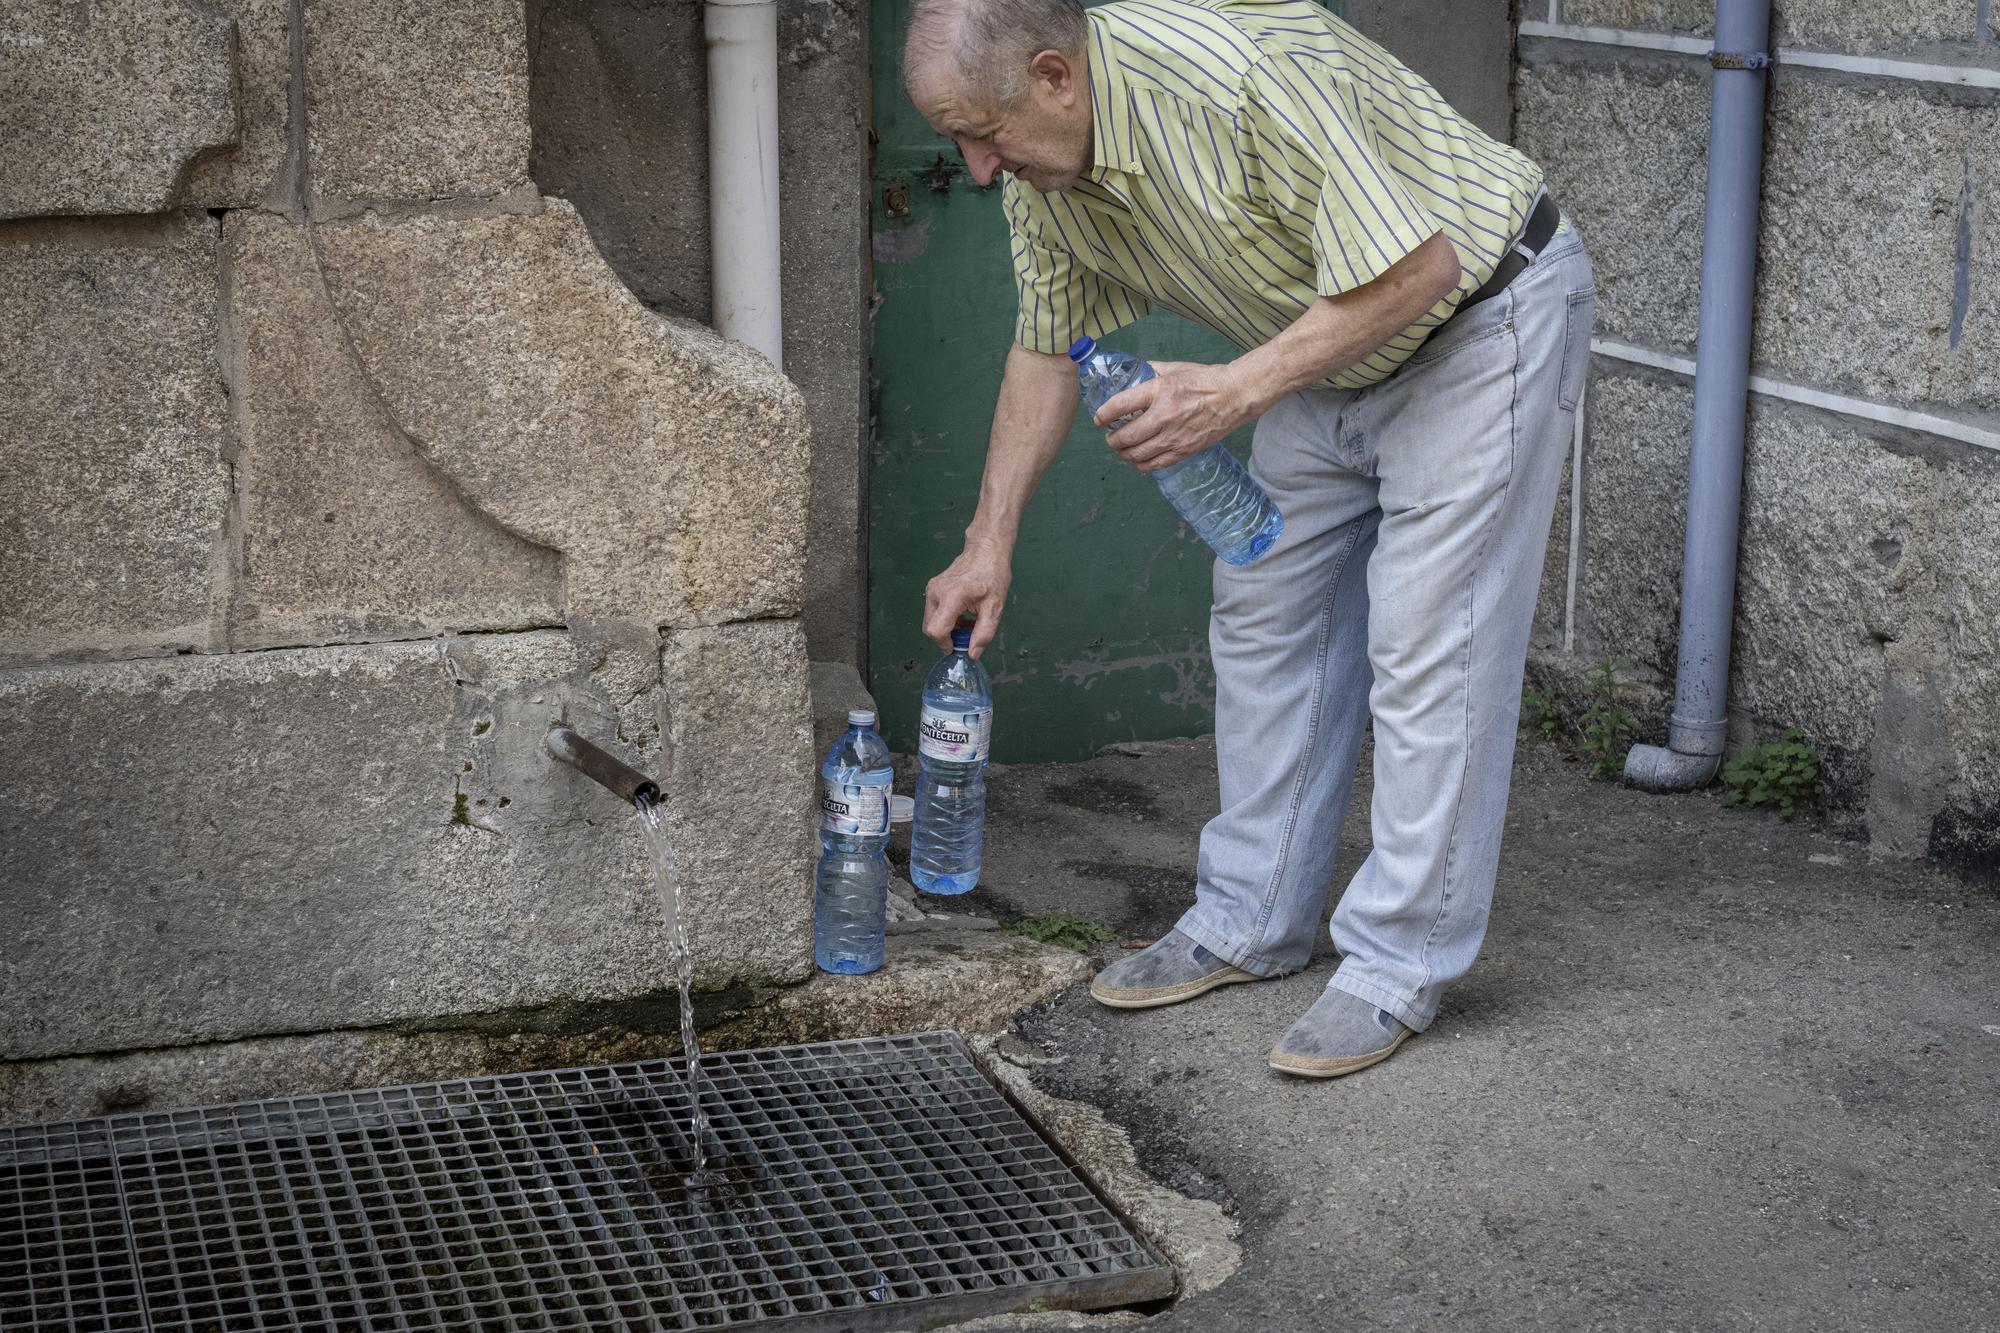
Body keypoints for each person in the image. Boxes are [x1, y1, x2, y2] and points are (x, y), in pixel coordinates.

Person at [907, 0, 1594, 1078]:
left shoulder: (1240, 71)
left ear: (1054, 76)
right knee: (1265, 621)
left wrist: (1233, 388)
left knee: (1428, 650)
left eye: (985, 136)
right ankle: (1248, 918)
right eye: (956, 141)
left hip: (1478, 314)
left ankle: (1392, 966)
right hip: (1328, 339)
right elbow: (1043, 349)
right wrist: (986, 540)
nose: (978, 168)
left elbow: (1417, 269)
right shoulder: (1047, 170)